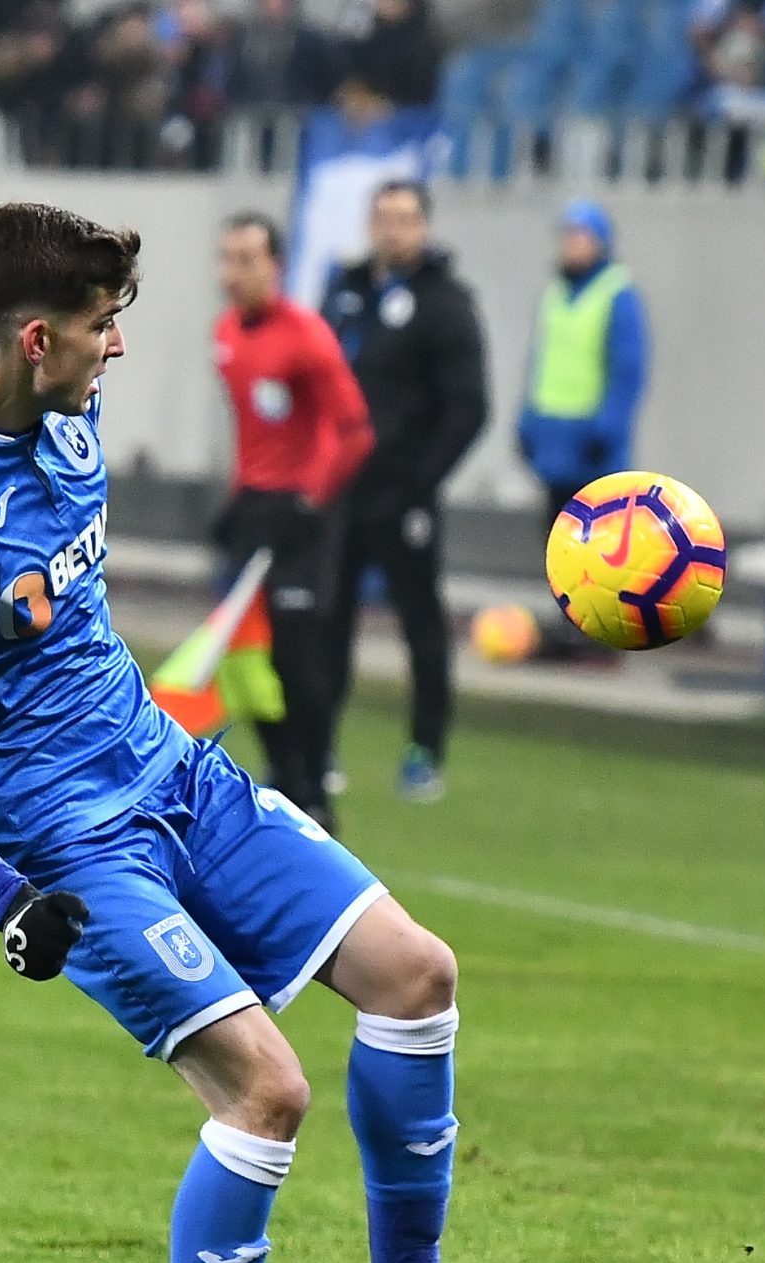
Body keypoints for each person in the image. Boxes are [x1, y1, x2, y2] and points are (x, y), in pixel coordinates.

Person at [0, 201, 496, 1263]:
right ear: (37, 338)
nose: (119, 348)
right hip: (69, 844)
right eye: (101, 327)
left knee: (416, 975)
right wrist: (6, 896)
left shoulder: (67, 420)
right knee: (267, 1089)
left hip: (173, 773)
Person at [320, 180, 487, 806]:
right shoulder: (345, 292)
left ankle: (425, 751)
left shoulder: (446, 303)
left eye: (406, 218)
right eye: (383, 217)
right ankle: (319, 747)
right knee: (326, 621)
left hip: (404, 494)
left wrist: (420, 481)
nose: (392, 229)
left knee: (420, 622)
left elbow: (469, 408)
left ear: (425, 226)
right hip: (340, 490)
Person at [209, 212, 373, 824]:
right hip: (254, 506)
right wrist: (236, 502)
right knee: (242, 655)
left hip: (303, 513)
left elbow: (354, 431)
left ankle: (316, 782)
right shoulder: (226, 334)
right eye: (226, 258)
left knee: (298, 656)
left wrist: (310, 501)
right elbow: (254, 432)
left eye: (247, 259)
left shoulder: (307, 335)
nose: (232, 273)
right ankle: (283, 770)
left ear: (276, 265)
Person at [515, 199, 648, 522]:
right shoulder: (556, 292)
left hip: (591, 437)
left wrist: (610, 425)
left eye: (581, 236)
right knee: (557, 530)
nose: (572, 244)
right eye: (568, 236)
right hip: (554, 432)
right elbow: (542, 361)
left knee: (598, 531)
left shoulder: (616, 293)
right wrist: (529, 421)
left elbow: (628, 368)